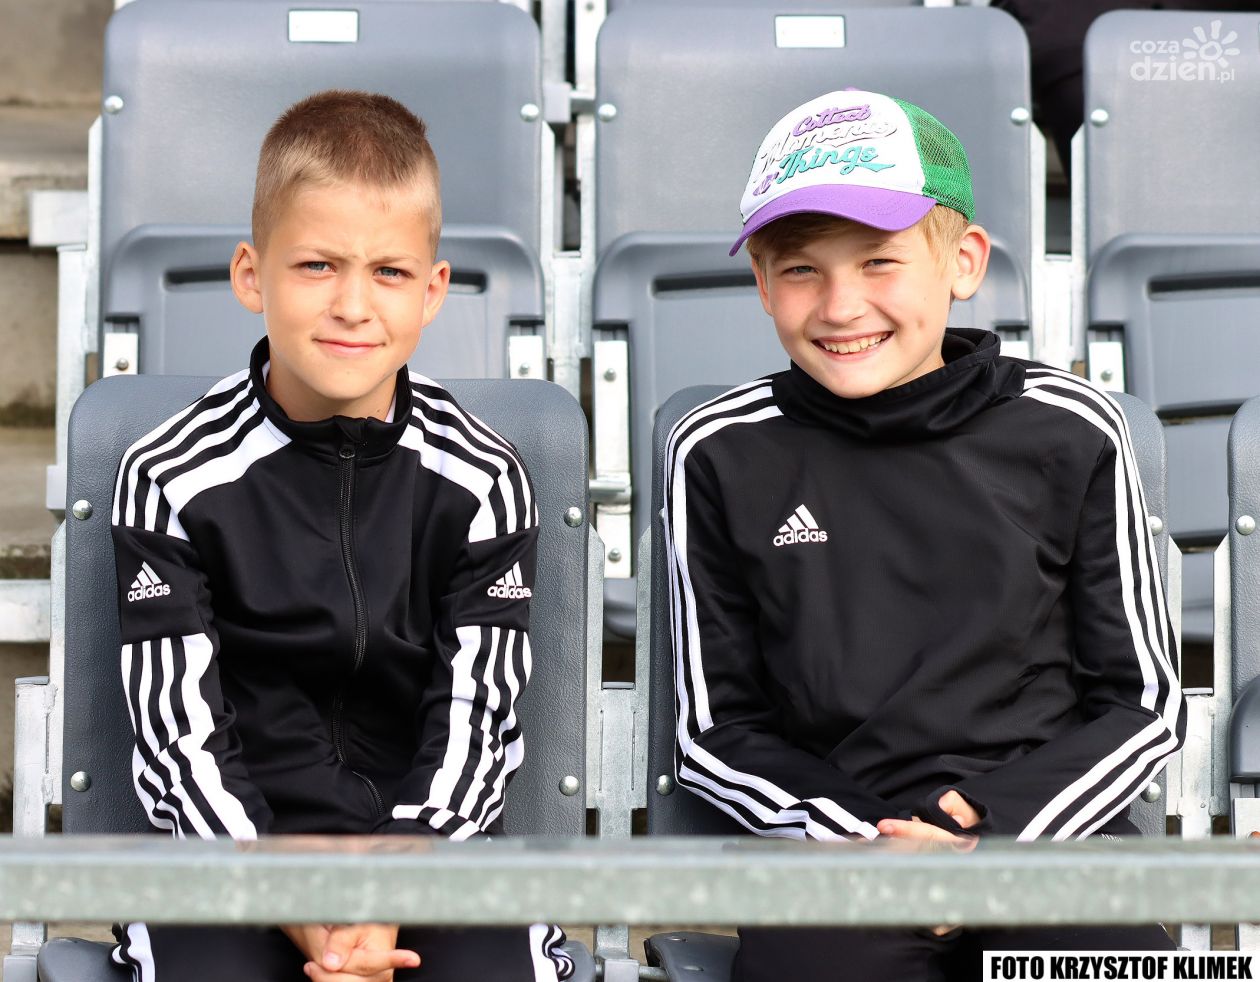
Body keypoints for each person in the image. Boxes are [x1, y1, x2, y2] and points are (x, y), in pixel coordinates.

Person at [663, 89, 1186, 981]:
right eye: (802, 270)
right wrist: (866, 840)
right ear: (762, 282)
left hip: (1044, 837)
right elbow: (716, 728)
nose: (841, 305)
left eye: (879, 262)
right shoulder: (719, 450)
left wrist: (985, 836)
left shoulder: (1072, 430)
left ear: (962, 261)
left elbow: (1141, 702)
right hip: (838, 848)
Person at [109, 90, 573, 982]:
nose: (353, 305)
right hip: (234, 851)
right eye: (317, 266)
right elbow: (178, 737)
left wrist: (393, 882)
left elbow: (478, 718)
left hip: (429, 849)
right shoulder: (169, 474)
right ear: (252, 276)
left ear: (433, 292)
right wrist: (288, 895)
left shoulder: (484, 477)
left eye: (389, 272)